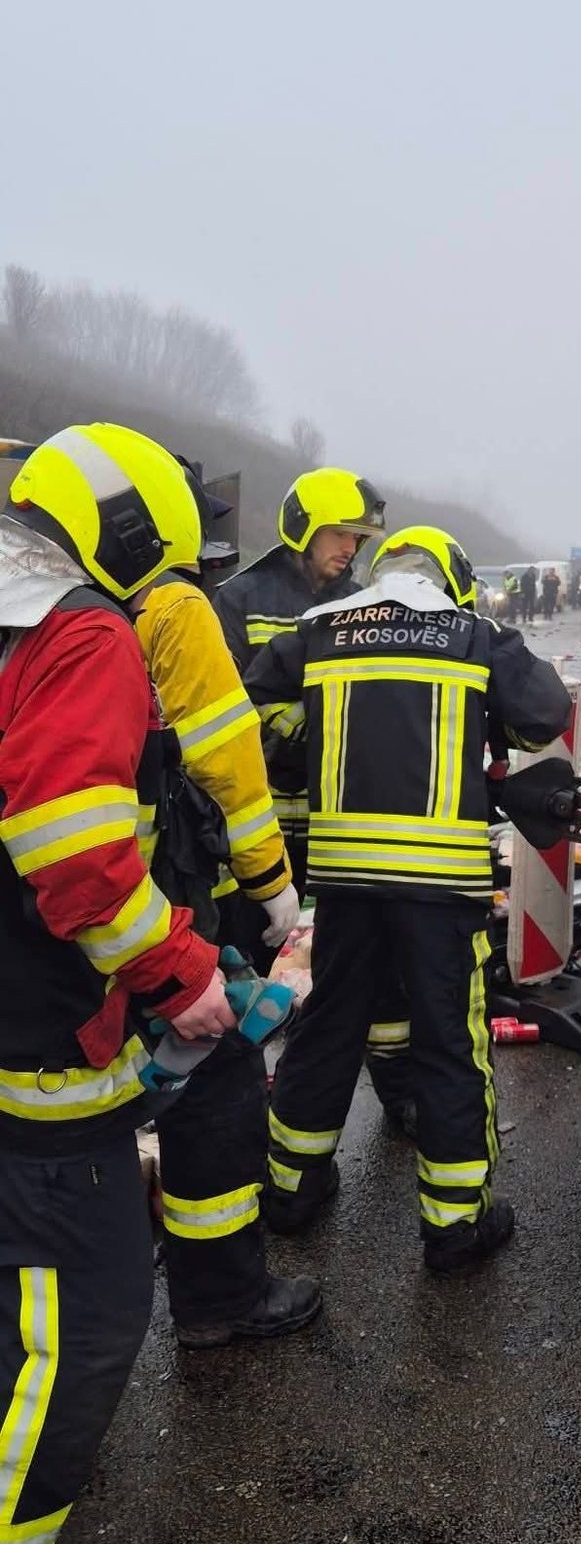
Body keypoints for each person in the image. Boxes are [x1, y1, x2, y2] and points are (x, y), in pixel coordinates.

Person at [0, 424, 311, 1544]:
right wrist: (182, 969)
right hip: (39, 1038)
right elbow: (77, 853)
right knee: (82, 1315)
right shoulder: (81, 630)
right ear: (132, 532)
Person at [246, 526, 570, 1270]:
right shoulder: (474, 632)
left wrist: (315, 736)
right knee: (451, 1043)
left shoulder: (319, 627)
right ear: (452, 579)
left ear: (377, 571)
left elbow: (256, 710)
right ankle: (455, 1227)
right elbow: (545, 715)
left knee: (327, 1025)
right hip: (441, 885)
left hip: (344, 875)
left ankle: (291, 1191)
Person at [130, 472, 319, 1352]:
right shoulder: (174, 608)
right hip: (153, 893)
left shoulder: (32, 605)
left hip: (51, 904)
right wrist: (274, 895)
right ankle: (220, 1298)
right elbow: (227, 763)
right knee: (213, 1081)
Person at [217, 468, 413, 1127]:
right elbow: (227, 712)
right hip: (261, 829)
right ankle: (240, 1093)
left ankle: (349, 1093)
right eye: (340, 535)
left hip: (337, 827)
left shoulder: (361, 602)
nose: (349, 551)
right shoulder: (238, 599)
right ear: (302, 527)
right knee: (251, 965)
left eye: (358, 540)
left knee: (345, 967)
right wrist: (300, 734)